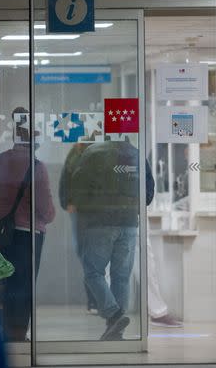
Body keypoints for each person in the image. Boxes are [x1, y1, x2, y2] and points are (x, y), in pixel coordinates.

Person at [68, 135, 155, 341]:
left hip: (100, 223)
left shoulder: (92, 153)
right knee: (121, 277)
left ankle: (113, 314)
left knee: (92, 272)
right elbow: (149, 194)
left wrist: (87, 210)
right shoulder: (136, 154)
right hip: (129, 222)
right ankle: (116, 330)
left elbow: (77, 187)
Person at [0, 107, 55, 341]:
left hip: (2, 232)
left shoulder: (0, 161)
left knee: (5, 281)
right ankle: (18, 332)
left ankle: (4, 328)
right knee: (24, 283)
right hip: (28, 233)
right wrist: (50, 215)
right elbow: (45, 209)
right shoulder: (36, 166)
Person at [59, 141, 98, 315]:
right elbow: (65, 180)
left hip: (96, 211)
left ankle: (98, 300)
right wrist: (67, 202)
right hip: (80, 211)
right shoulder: (74, 153)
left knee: (95, 254)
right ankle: (94, 300)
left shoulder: (98, 152)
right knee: (85, 254)